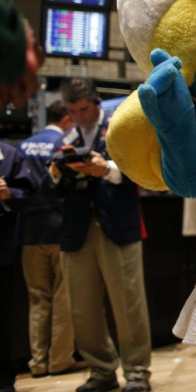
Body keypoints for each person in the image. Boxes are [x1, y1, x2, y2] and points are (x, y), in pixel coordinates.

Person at [49, 78, 152, 392]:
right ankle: (101, 371)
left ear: (95, 103)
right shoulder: (65, 139)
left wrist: (105, 168)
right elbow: (48, 189)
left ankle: (136, 373)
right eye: (72, 111)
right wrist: (57, 171)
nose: (78, 116)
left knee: (128, 303)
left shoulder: (119, 129)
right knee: (82, 306)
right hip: (76, 231)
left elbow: (140, 170)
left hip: (118, 227)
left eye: (83, 109)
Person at [17, 100, 81, 377]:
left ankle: (38, 362)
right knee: (62, 298)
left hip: (29, 232)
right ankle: (60, 359)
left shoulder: (22, 146)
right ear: (67, 118)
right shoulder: (65, 144)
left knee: (38, 300)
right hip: (60, 228)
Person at [0, 140, 33, 392]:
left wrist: (9, 193)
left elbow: (28, 193)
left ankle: (4, 380)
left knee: (3, 316)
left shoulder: (10, 154)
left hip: (3, 248)